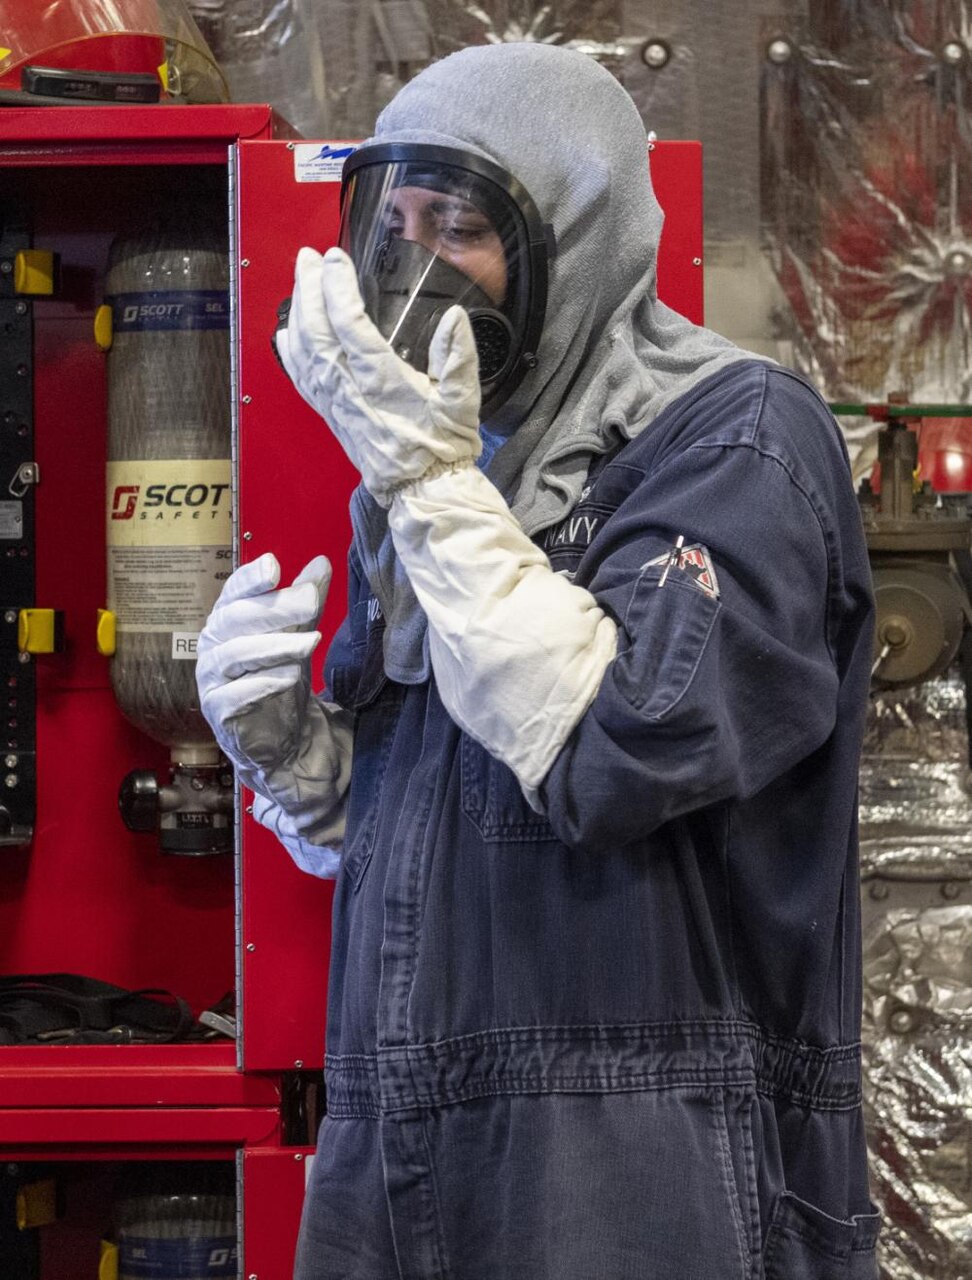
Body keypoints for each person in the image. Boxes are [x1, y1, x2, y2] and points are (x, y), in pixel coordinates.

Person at [196, 41, 879, 1280]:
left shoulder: (739, 439)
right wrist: (299, 755)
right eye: (388, 222)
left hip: (649, 1171)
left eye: (458, 225)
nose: (412, 267)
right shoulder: (451, 466)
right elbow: (433, 815)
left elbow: (623, 741)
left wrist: (427, 483)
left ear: (577, 238)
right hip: (397, 1142)